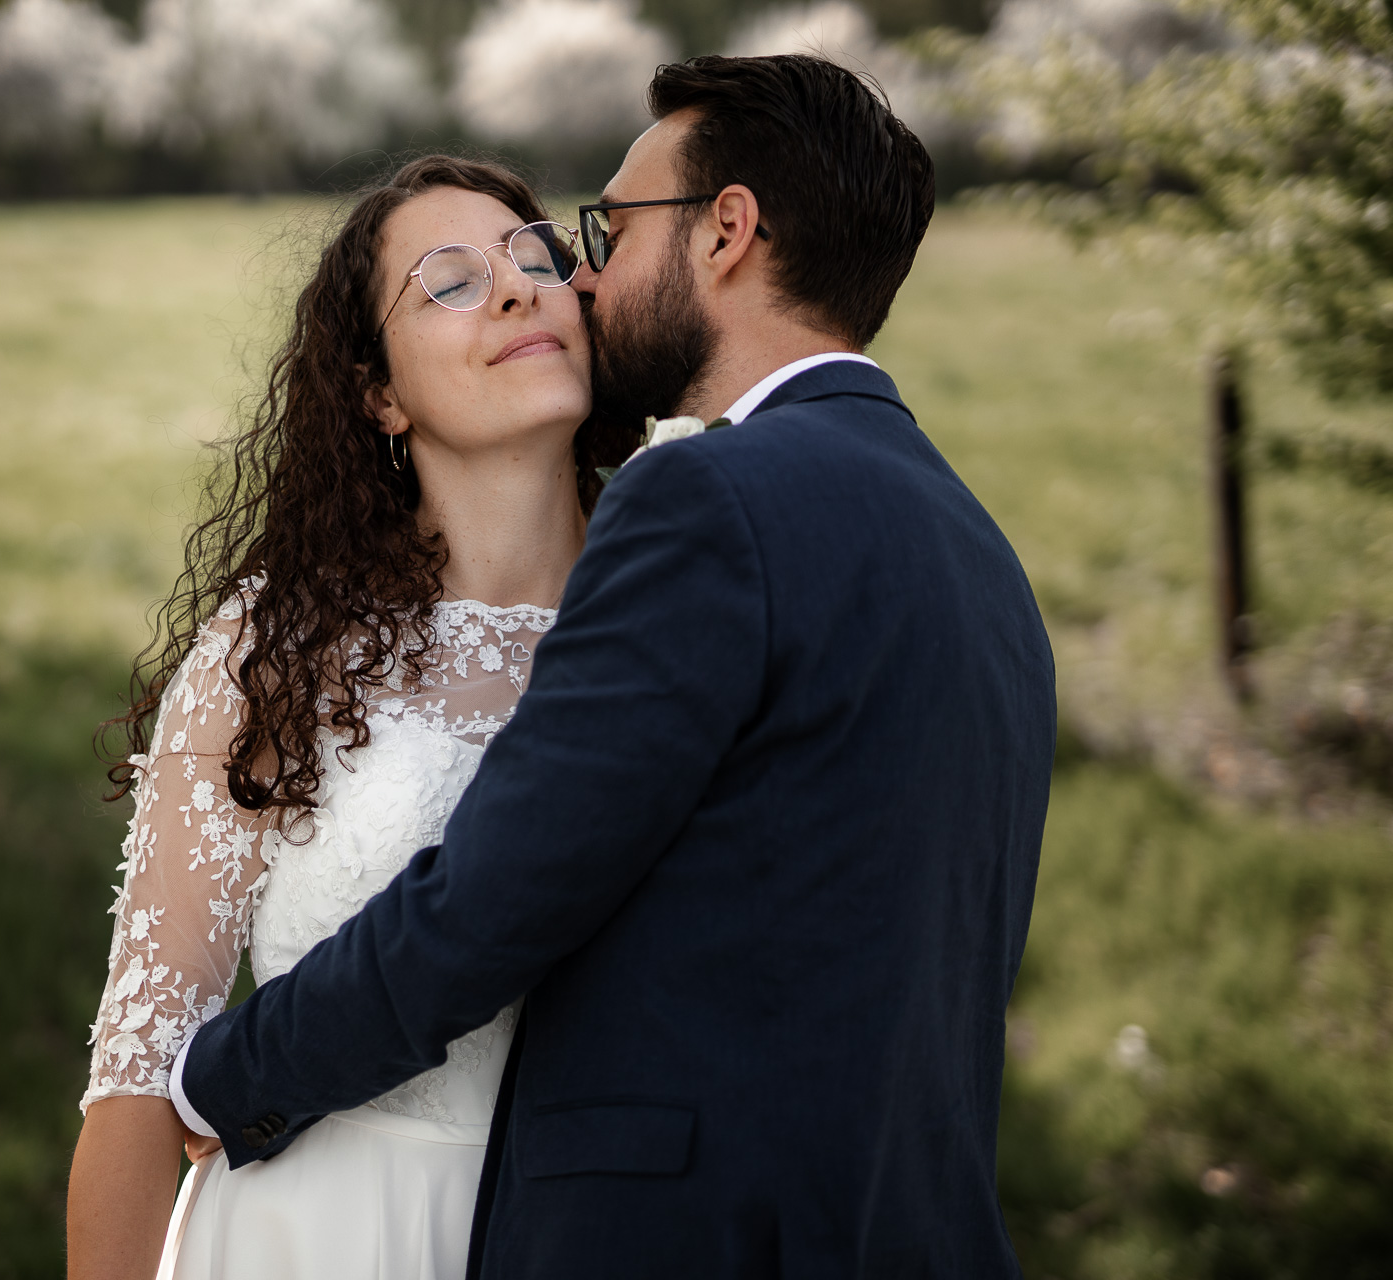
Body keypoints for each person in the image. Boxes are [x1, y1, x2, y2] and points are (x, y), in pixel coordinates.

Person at [170, 54, 1058, 1279]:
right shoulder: (979, 550)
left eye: (610, 226)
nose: (581, 274)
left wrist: (221, 1080)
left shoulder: (705, 498)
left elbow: (501, 893)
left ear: (726, 232)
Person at [65, 154, 633, 1279]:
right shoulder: (283, 649)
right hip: (312, 1237)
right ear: (378, 392)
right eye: (451, 283)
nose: (519, 288)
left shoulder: (674, 625)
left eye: (536, 258)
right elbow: (140, 1072)